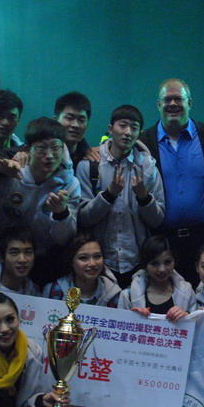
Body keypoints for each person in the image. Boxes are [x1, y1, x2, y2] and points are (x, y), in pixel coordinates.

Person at [139, 78, 204, 286]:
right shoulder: (143, 142)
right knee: (166, 300)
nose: (173, 104)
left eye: (178, 99)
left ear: (190, 103)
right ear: (158, 105)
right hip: (162, 244)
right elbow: (114, 149)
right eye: (167, 99)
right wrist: (90, 150)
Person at [76, 105, 164, 289]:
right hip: (98, 261)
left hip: (137, 262)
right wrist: (109, 195)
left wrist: (143, 197)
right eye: (122, 125)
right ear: (110, 129)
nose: (127, 132)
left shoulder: (148, 168)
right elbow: (83, 219)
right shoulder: (89, 166)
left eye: (134, 128)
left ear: (139, 133)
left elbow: (157, 220)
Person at [0, 117, 80, 268]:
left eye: (55, 147)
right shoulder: (8, 173)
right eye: (42, 148)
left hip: (45, 262)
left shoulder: (70, 185)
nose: (49, 155)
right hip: (2, 259)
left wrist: (61, 214)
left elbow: (64, 239)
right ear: (27, 150)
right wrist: (6, 254)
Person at [118, 234, 196, 321]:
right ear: (145, 265)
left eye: (167, 262)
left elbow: (198, 325)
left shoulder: (187, 291)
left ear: (175, 261)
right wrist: (133, 318)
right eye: (154, 263)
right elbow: (119, 325)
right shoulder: (128, 296)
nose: (162, 269)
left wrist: (187, 317)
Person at [42, 233, 122, 308]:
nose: (92, 264)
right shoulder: (53, 292)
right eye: (83, 258)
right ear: (71, 261)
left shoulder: (114, 295)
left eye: (97, 256)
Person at [53, 91, 94, 165]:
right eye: (69, 118)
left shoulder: (91, 157)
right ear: (55, 120)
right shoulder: (41, 155)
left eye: (81, 120)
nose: (76, 125)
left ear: (87, 125)